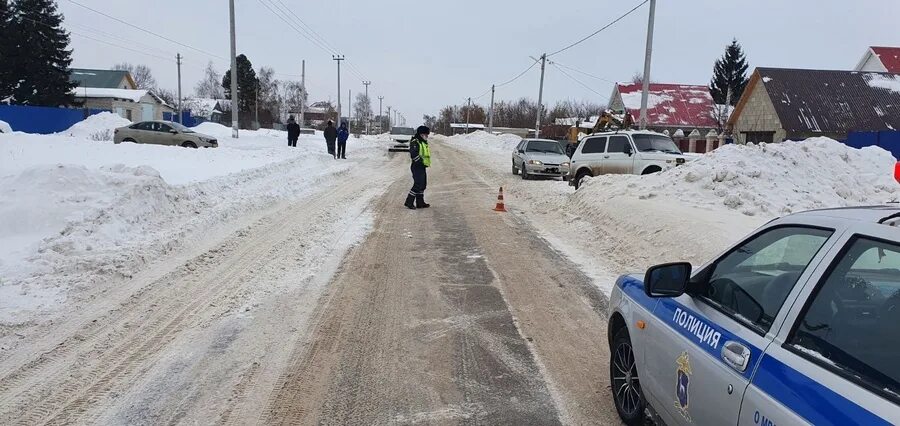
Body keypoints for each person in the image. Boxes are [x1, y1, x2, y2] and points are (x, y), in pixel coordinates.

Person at [404, 126, 431, 209]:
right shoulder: (415, 141)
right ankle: (409, 202)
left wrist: (424, 164)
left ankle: (420, 202)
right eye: (425, 134)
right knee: (418, 184)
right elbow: (414, 154)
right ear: (421, 134)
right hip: (417, 166)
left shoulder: (423, 142)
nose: (427, 136)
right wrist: (419, 162)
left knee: (422, 185)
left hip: (422, 166)